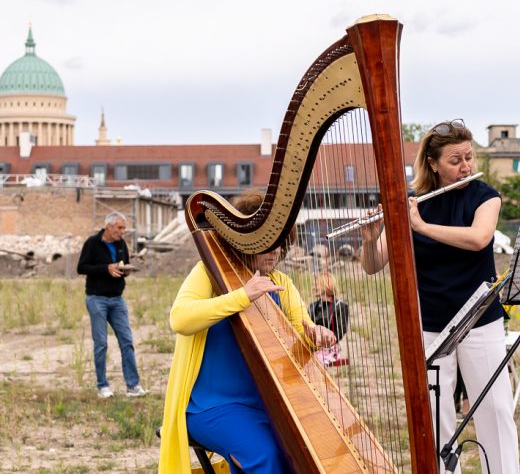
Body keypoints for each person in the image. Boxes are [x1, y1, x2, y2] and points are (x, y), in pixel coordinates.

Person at [360, 119, 519, 473]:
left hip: (479, 319)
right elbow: (373, 265)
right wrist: (371, 238)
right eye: (455, 160)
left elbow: (479, 238)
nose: (466, 166)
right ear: (432, 163)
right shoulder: (412, 201)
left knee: (495, 410)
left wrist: (421, 227)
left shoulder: (485, 196)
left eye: (469, 157)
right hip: (431, 322)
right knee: (437, 419)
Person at [158, 190, 337, 474]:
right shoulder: (207, 274)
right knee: (264, 457)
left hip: (268, 403)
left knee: (302, 457)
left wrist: (315, 337)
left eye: (280, 244)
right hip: (211, 405)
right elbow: (180, 320)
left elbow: (301, 335)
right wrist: (243, 295)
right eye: (267, 244)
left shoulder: (282, 283)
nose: (275, 251)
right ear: (244, 242)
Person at [76, 212, 147, 398]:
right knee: (101, 344)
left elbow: (124, 265)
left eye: (124, 228)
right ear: (108, 227)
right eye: (120, 228)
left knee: (127, 341)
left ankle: (133, 386)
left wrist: (126, 270)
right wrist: (106, 268)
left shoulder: (121, 244)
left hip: (117, 299)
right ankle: (102, 386)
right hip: (96, 299)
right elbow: (81, 267)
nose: (123, 232)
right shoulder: (92, 243)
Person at [308, 272, 350, 366]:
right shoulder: (312, 306)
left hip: (330, 348)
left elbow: (340, 332)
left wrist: (325, 341)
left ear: (326, 285)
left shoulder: (341, 306)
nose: (313, 287)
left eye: (316, 284)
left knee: (314, 362)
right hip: (313, 346)